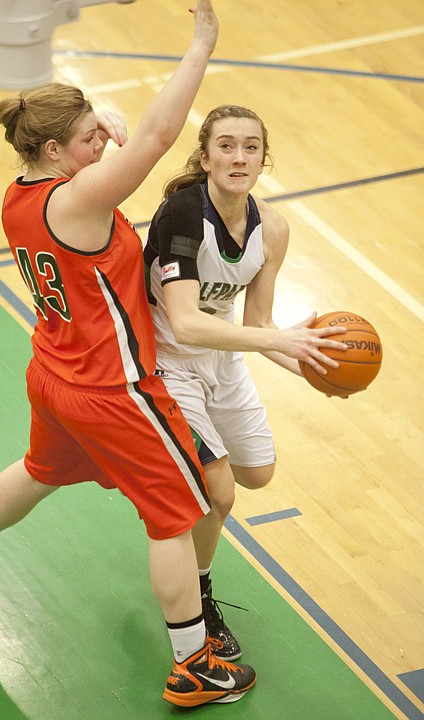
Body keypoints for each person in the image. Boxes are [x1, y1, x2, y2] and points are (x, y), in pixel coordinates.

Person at [0, 4, 258, 708]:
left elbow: (108, 153)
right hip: (115, 391)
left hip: (54, 372)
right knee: (181, 513)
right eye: (88, 138)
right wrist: (201, 43)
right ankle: (193, 664)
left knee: (41, 470)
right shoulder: (81, 199)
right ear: (55, 151)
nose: (102, 144)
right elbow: (157, 134)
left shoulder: (22, 194)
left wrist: (97, 129)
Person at [143, 104, 348, 659]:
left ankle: (176, 482)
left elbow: (258, 325)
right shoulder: (181, 214)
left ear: (264, 158)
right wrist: (280, 342)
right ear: (205, 156)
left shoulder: (273, 228)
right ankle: (199, 595)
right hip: (165, 363)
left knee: (256, 474)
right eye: (226, 146)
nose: (239, 157)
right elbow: (186, 321)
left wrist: (315, 366)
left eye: (250, 147)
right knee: (219, 493)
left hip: (223, 359)